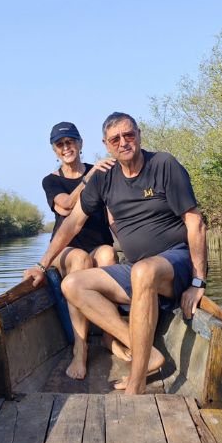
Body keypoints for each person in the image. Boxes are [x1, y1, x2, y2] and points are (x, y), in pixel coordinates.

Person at [24, 112, 206, 394]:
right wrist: (41, 264)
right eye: (115, 139)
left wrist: (197, 282)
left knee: (142, 270)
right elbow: (72, 222)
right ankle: (144, 351)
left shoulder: (163, 164)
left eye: (128, 135)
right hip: (137, 270)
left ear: (139, 135)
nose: (123, 142)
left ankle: (136, 383)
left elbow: (195, 222)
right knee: (73, 284)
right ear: (106, 145)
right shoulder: (102, 178)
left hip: (174, 262)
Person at [40, 122, 118, 380]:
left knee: (107, 254)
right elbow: (65, 205)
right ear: (54, 150)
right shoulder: (51, 181)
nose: (66, 148)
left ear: (80, 144)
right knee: (81, 260)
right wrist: (89, 177)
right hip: (67, 249)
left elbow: (112, 216)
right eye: (60, 144)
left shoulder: (101, 173)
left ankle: (110, 335)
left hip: (98, 244)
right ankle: (80, 347)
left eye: (70, 142)